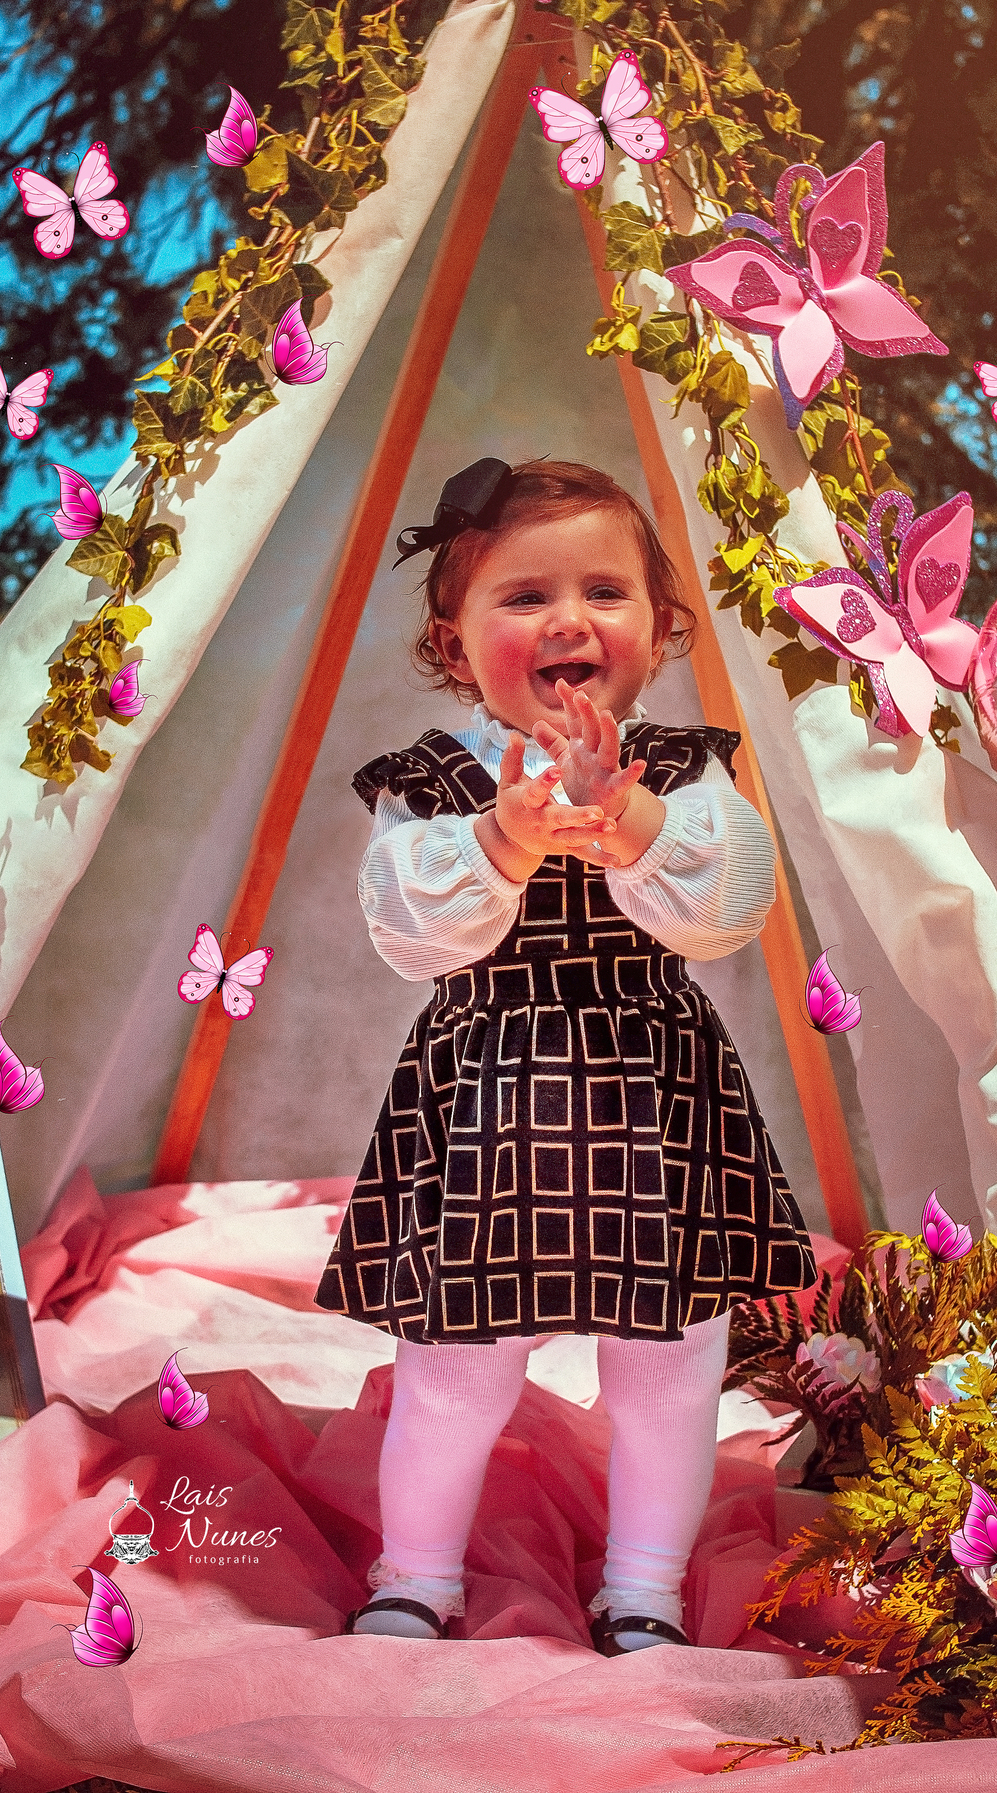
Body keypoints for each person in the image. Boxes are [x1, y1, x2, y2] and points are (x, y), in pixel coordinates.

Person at [315, 458, 817, 1653]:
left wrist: (627, 816)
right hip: (493, 1096)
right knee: (454, 1365)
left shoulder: (686, 769)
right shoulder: (432, 781)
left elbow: (728, 907)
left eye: (604, 590)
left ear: (661, 626)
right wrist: (504, 836)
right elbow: (407, 927)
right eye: (525, 595)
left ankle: (643, 1584)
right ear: (455, 641)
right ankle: (416, 1571)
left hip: (651, 1097)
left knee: (670, 1364)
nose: (568, 619)